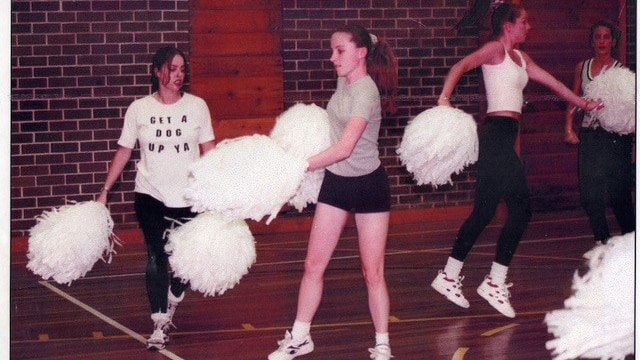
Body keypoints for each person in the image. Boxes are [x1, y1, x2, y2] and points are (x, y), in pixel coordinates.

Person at [430, 3, 603, 318]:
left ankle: (449, 274)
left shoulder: (522, 58)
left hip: (505, 137)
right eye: (524, 22)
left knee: (484, 212)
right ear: (508, 25)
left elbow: (553, 83)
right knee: (521, 209)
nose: (529, 27)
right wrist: (444, 98)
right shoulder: (494, 49)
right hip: (495, 136)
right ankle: (494, 282)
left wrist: (583, 103)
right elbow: (459, 66)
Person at [267, 24, 398, 360]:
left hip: (369, 186)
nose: (332, 57)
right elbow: (333, 139)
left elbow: (344, 147)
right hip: (337, 184)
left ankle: (382, 343)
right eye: (332, 50)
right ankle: (299, 338)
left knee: (373, 272)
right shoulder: (345, 80)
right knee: (313, 265)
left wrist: (301, 165)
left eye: (339, 51)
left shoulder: (366, 92)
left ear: (360, 53)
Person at [96, 46, 216, 350]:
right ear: (157, 72)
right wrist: (105, 190)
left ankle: (176, 290)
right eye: (172, 69)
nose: (179, 75)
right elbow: (125, 150)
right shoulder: (139, 109)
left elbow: (209, 150)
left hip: (189, 196)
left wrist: (217, 189)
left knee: (187, 262)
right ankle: (159, 324)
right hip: (150, 194)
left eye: (182, 69)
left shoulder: (198, 106)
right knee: (156, 254)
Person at [563, 20, 635, 243]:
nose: (602, 41)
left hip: (615, 139)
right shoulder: (582, 67)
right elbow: (574, 100)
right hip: (590, 135)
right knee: (590, 191)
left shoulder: (622, 72)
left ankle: (632, 241)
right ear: (592, 41)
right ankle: (601, 240)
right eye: (598, 37)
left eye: (606, 37)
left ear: (613, 41)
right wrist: (568, 127)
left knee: (619, 192)